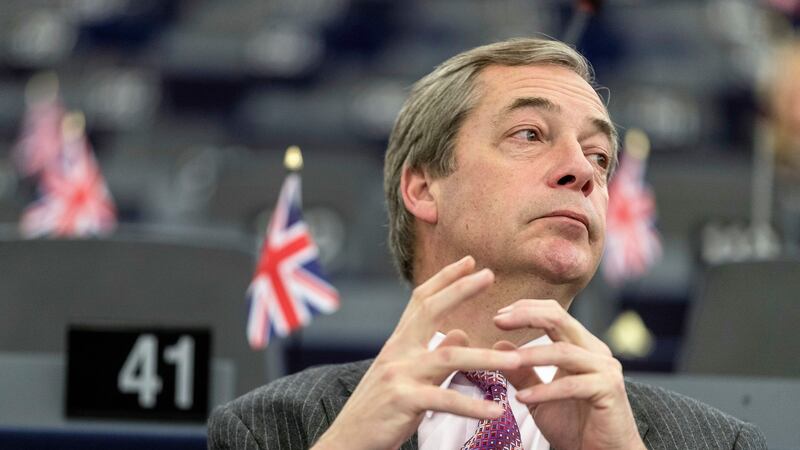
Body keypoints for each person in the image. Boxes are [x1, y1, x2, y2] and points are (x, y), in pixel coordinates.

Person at [208, 38, 768, 450]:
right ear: (424, 187)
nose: (583, 171)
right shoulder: (271, 428)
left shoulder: (720, 442)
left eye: (598, 155)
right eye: (529, 134)